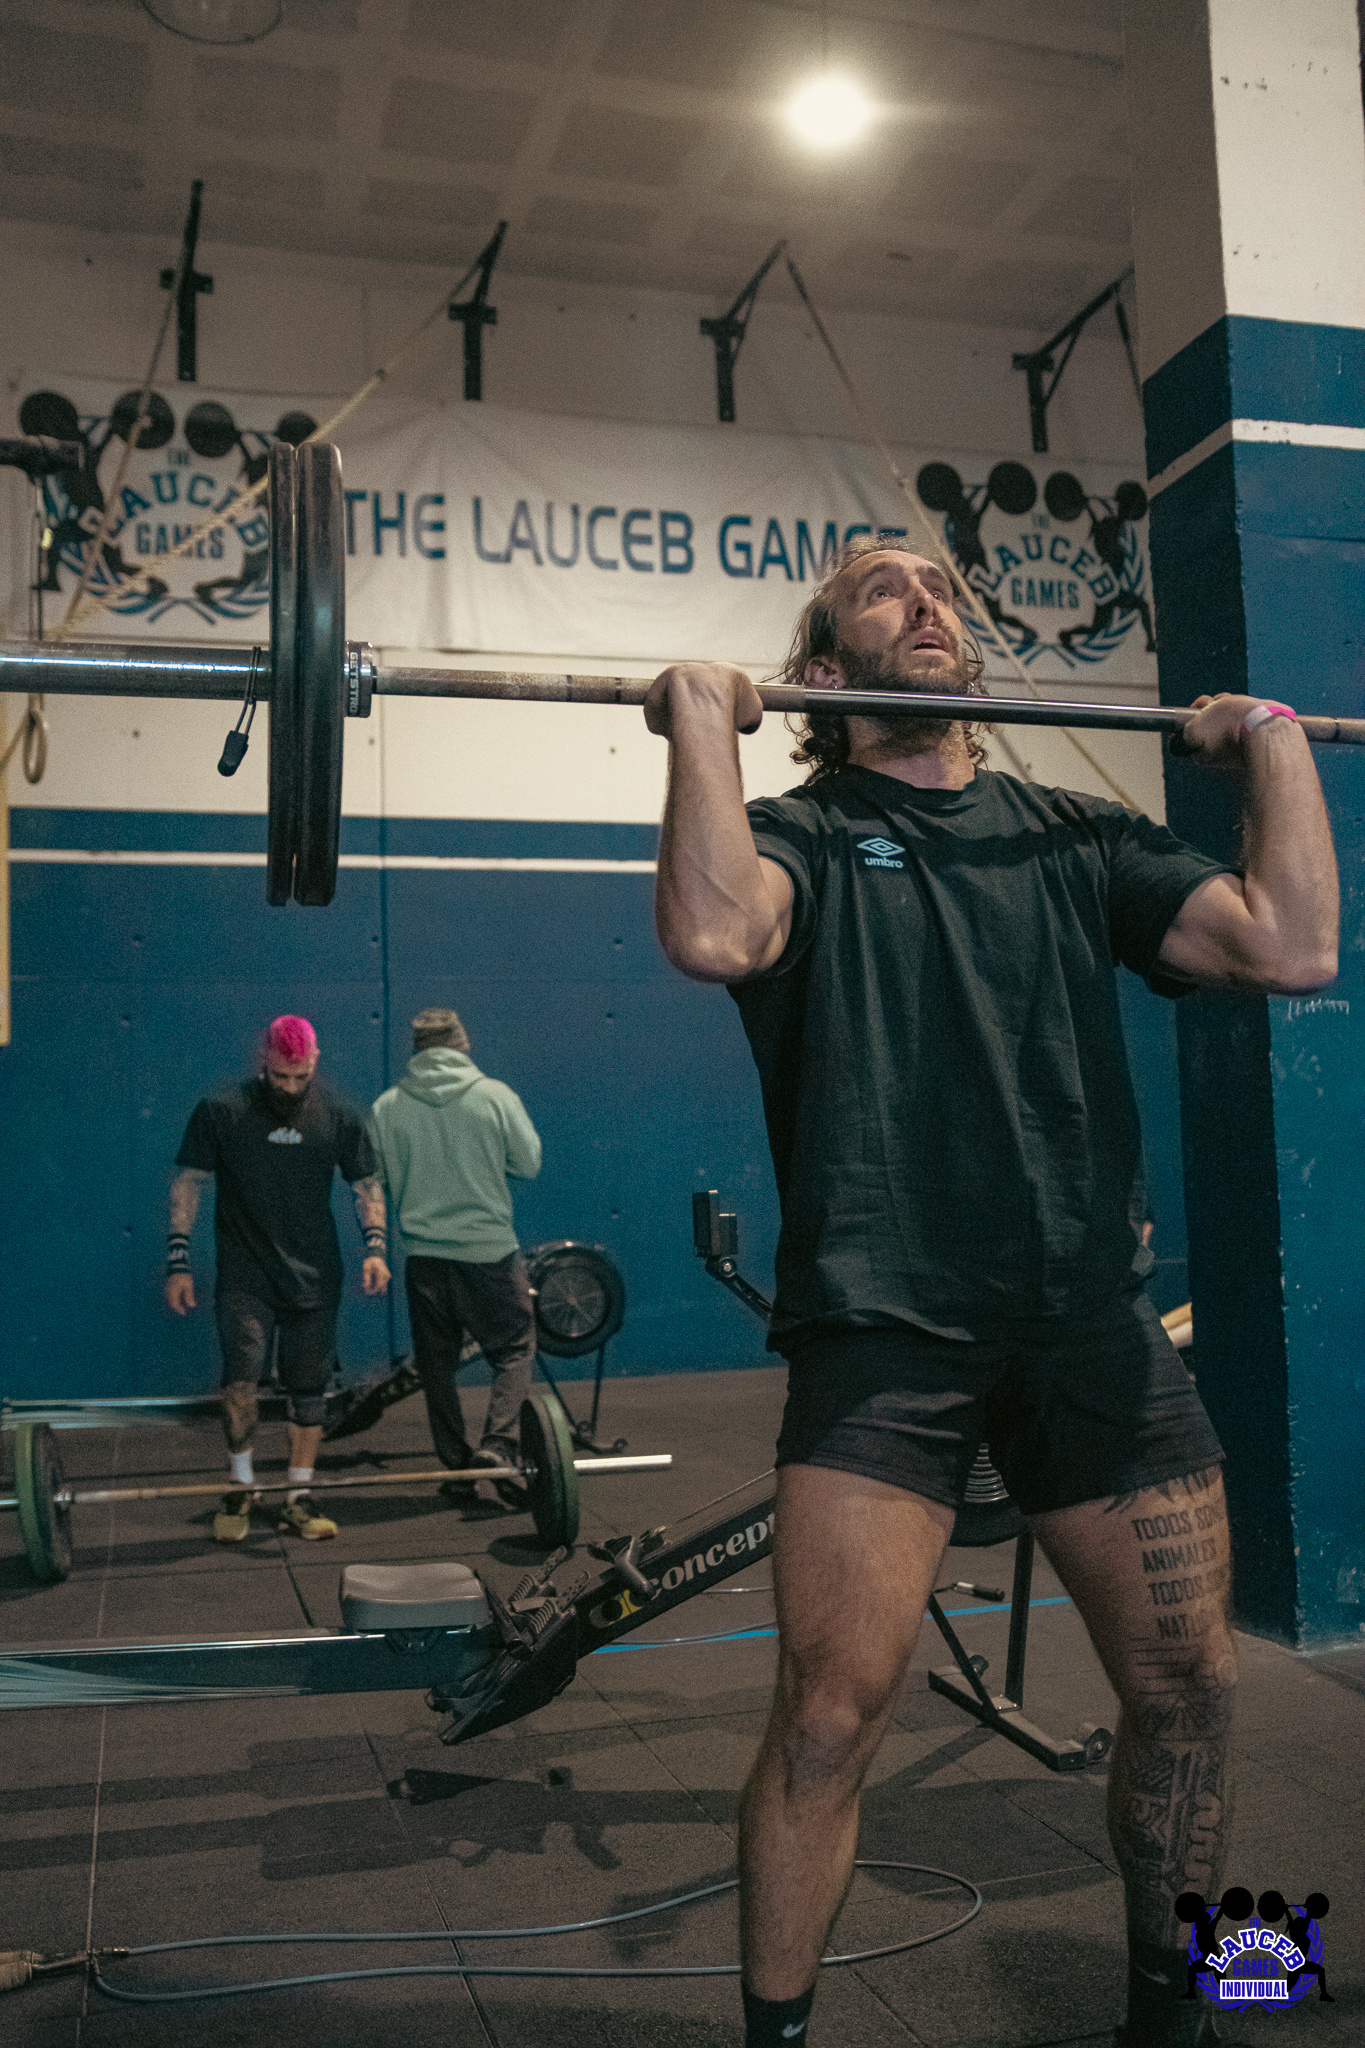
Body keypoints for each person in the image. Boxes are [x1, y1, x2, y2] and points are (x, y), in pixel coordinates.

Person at [643, 536, 1339, 2048]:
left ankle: (1183, 2012)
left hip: (1087, 1320)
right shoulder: (802, 837)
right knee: (830, 1717)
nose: (929, 600)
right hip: (882, 1327)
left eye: (944, 586)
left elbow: (1292, 945)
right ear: (817, 674)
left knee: (1193, 1685)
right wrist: (700, 715)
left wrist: (1274, 740)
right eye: (883, 588)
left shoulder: (1072, 835)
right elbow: (711, 931)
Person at [165, 1014, 390, 1542]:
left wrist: (376, 1248)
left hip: (315, 1276)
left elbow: (366, 1185)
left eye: (300, 1077)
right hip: (246, 1276)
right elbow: (189, 1182)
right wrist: (178, 1260)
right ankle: (241, 1486)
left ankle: (298, 1496)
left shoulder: (338, 1116)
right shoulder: (223, 1110)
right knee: (242, 1383)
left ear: (315, 1062)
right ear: (263, 1059)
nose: (289, 1087)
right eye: (280, 1076)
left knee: (309, 1391)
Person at [368, 1007, 542, 1507]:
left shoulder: (386, 1108)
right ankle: (498, 1445)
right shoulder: (496, 1097)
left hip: (424, 1258)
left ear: (417, 1050)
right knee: (514, 1348)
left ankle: (458, 1467)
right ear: (462, 1045)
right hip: (489, 1255)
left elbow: (376, 1181)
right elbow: (528, 1163)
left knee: (436, 1366)